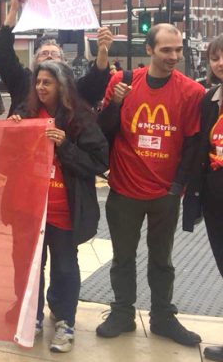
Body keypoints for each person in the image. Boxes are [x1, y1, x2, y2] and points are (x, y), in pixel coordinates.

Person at [96, 23, 204, 346]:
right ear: (149, 50)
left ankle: (162, 317)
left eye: (178, 49)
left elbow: (193, 145)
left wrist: (176, 188)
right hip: (124, 190)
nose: (174, 56)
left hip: (164, 194)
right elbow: (103, 131)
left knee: (162, 259)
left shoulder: (191, 92)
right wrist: (114, 104)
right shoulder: (122, 82)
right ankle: (122, 313)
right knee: (123, 257)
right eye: (166, 50)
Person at [9, 60, 108, 353]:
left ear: (61, 86)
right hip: (30, 210)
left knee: (65, 267)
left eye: (47, 82)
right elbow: (6, 159)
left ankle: (65, 321)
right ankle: (33, 316)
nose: (40, 87)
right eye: (37, 82)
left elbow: (99, 162)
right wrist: (13, 134)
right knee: (31, 268)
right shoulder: (25, 112)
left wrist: (65, 145)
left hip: (64, 210)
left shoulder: (80, 119)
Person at [0, 0, 113, 115]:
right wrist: (13, 9)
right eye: (44, 54)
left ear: (63, 62)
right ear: (35, 60)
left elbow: (97, 81)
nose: (49, 56)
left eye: (54, 54)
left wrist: (102, 51)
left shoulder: (74, 88)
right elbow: (2, 53)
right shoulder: (22, 82)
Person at [183, 35, 223, 361]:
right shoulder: (210, 99)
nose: (219, 62)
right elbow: (200, 149)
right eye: (215, 57)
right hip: (214, 201)